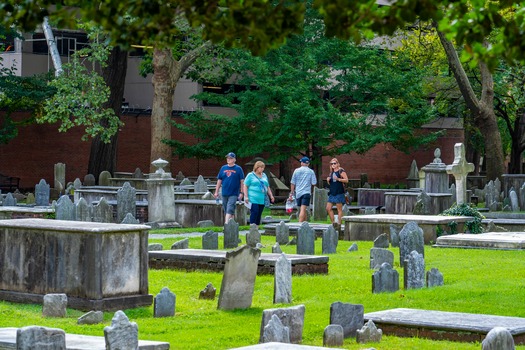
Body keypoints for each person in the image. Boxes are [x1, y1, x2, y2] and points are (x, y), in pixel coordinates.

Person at [214, 152, 245, 224]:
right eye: (228, 158)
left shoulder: (238, 169)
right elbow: (219, 180)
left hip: (234, 193)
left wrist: (242, 192)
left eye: (230, 158)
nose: (229, 159)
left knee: (230, 207)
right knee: (228, 210)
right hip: (224, 192)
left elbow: (242, 181)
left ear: (234, 159)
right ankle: (232, 226)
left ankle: (226, 223)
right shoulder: (223, 168)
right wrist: (216, 191)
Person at [243, 160, 275, 226]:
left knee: (259, 213)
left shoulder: (264, 175)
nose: (262, 169)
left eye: (263, 167)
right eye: (261, 167)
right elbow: (245, 185)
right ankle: (252, 226)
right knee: (255, 211)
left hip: (262, 197)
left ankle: (256, 227)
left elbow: (267, 186)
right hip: (253, 197)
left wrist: (271, 196)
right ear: (257, 167)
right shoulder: (250, 175)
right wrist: (246, 196)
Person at [289, 156, 317, 222]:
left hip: (298, 192)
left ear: (302, 163)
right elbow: (314, 183)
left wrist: (292, 192)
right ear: (308, 164)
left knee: (301, 209)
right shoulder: (311, 171)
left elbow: (293, 182)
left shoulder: (296, 170)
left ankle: (302, 224)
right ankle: (301, 224)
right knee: (303, 209)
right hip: (306, 192)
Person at [325, 158, 348, 229]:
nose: (333, 165)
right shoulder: (331, 172)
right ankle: (333, 223)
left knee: (339, 209)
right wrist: (328, 180)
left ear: (338, 164)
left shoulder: (341, 171)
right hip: (332, 192)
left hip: (339, 192)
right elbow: (331, 183)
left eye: (334, 163)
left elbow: (346, 180)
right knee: (328, 208)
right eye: (331, 163)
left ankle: (339, 224)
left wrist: (338, 179)